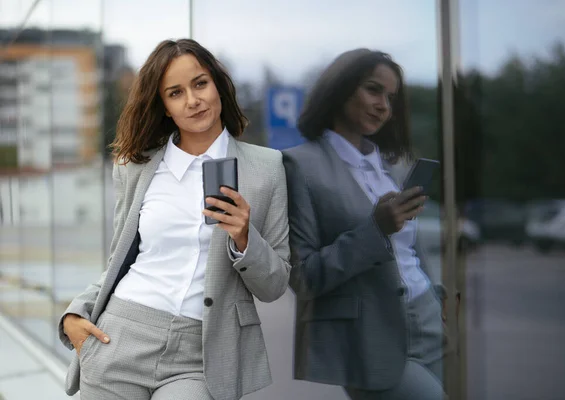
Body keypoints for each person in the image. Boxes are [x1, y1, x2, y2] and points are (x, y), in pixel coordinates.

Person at [58, 39, 291, 400]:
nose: (193, 100)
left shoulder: (266, 168)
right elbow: (121, 261)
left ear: (218, 85)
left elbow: (275, 285)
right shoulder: (136, 167)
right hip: (121, 334)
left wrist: (245, 238)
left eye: (200, 84)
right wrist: (75, 314)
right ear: (164, 107)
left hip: (202, 351)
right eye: (175, 93)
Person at [283, 49, 447, 400]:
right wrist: (376, 230)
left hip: (428, 320)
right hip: (368, 334)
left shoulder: (389, 168)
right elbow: (303, 276)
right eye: (373, 90)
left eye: (391, 98)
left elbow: (409, 255)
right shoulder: (300, 166)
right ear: (340, 89)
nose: (384, 106)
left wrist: (437, 295)